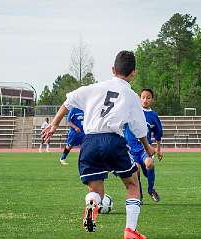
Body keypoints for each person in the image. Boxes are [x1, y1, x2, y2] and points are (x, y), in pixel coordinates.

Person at [42, 50, 155, 239]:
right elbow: (139, 128)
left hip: (90, 142)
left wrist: (53, 124)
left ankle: (91, 211)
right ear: (133, 73)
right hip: (113, 140)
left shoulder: (94, 87)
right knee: (132, 184)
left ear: (112, 69)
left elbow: (68, 102)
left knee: (96, 190)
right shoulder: (131, 95)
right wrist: (147, 147)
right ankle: (130, 231)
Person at [124, 88, 163, 203]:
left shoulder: (153, 116)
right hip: (131, 150)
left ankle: (151, 190)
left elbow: (158, 134)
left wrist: (159, 150)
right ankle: (139, 194)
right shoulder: (131, 112)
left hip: (145, 149)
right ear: (139, 98)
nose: (145, 100)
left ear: (152, 100)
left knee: (150, 165)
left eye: (148, 97)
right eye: (143, 97)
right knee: (136, 171)